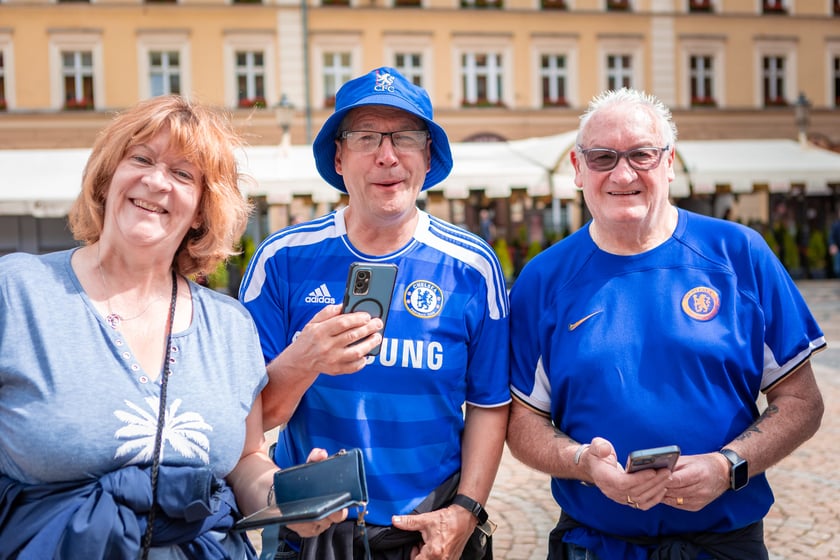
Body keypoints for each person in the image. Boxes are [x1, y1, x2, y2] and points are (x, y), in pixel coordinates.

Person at [0, 95, 343, 559]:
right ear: (108, 179)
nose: (156, 181)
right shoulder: (18, 291)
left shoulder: (229, 326)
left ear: (202, 209)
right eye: (140, 159)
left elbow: (243, 464)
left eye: (183, 174)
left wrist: (290, 498)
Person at [506, 88, 826, 559]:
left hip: (724, 545)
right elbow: (521, 421)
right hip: (596, 545)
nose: (622, 173)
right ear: (578, 168)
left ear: (669, 163)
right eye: (602, 158)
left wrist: (728, 465)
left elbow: (802, 401)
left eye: (641, 154)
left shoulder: (738, 254)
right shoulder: (544, 278)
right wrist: (584, 464)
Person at [239, 67, 510, 560]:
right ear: (338, 157)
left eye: (405, 137)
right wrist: (304, 361)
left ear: (428, 156)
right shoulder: (281, 259)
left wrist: (466, 510)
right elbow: (246, 421)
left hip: (430, 532)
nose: (388, 155)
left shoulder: (472, 265)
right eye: (366, 137)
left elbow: (489, 403)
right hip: (312, 532)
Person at [829, 207, 840, 278]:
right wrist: (832, 245)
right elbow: (831, 237)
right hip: (838, 249)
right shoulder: (835, 225)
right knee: (837, 269)